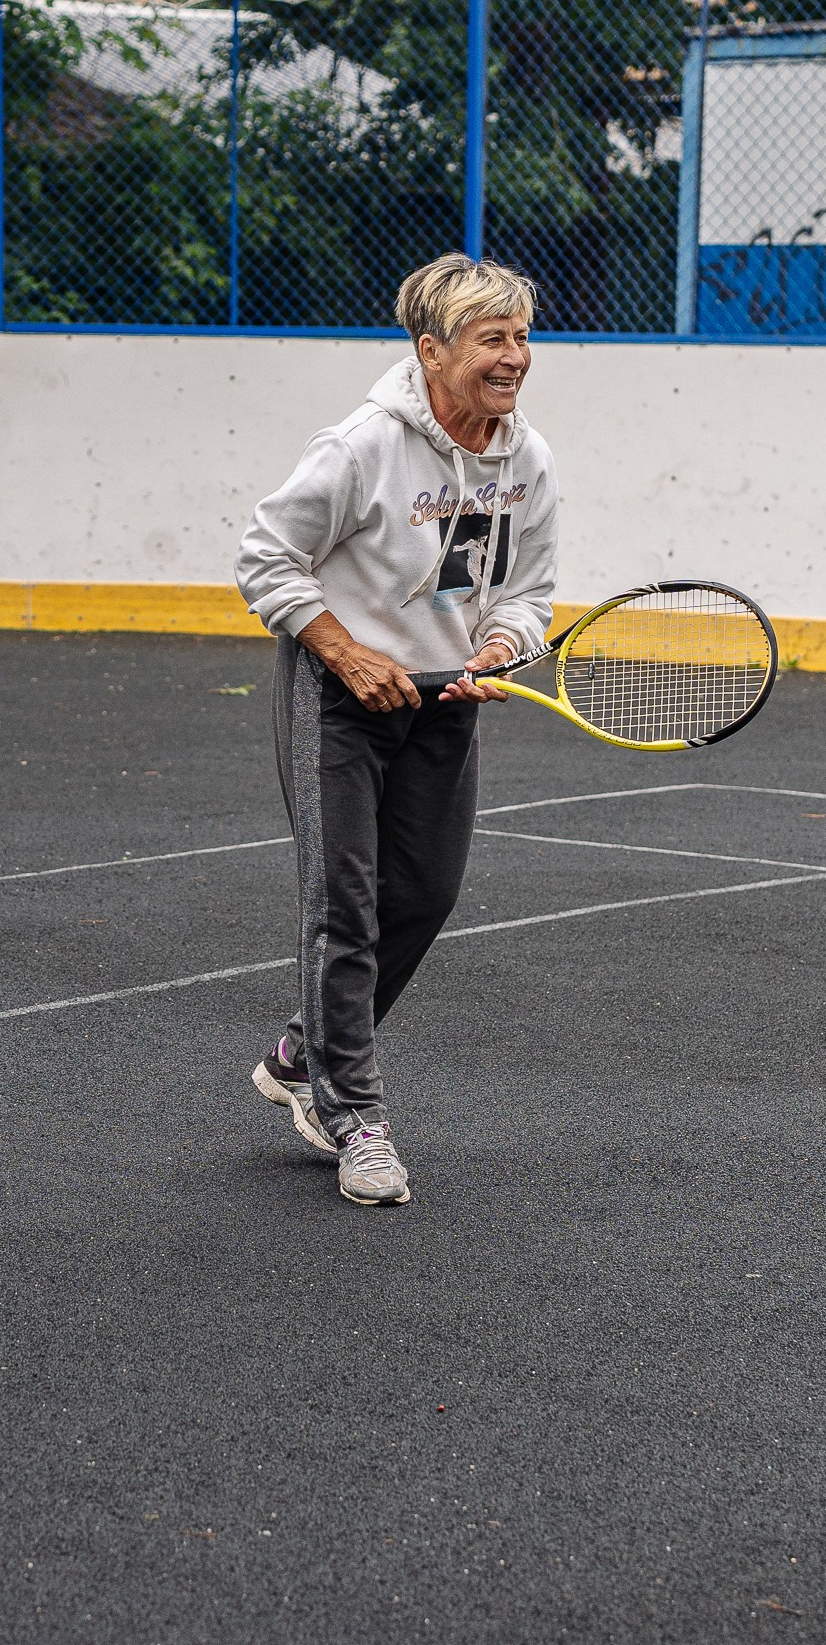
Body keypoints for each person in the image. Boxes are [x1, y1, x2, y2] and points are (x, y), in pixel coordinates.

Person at [233, 254, 558, 1206]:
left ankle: (304, 1052)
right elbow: (265, 555)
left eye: (523, 337)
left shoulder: (526, 458)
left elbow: (528, 589)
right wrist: (343, 650)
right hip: (339, 697)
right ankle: (353, 1114)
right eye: (493, 339)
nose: (516, 359)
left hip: (443, 701)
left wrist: (499, 646)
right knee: (347, 903)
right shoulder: (363, 446)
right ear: (432, 349)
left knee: (426, 894)